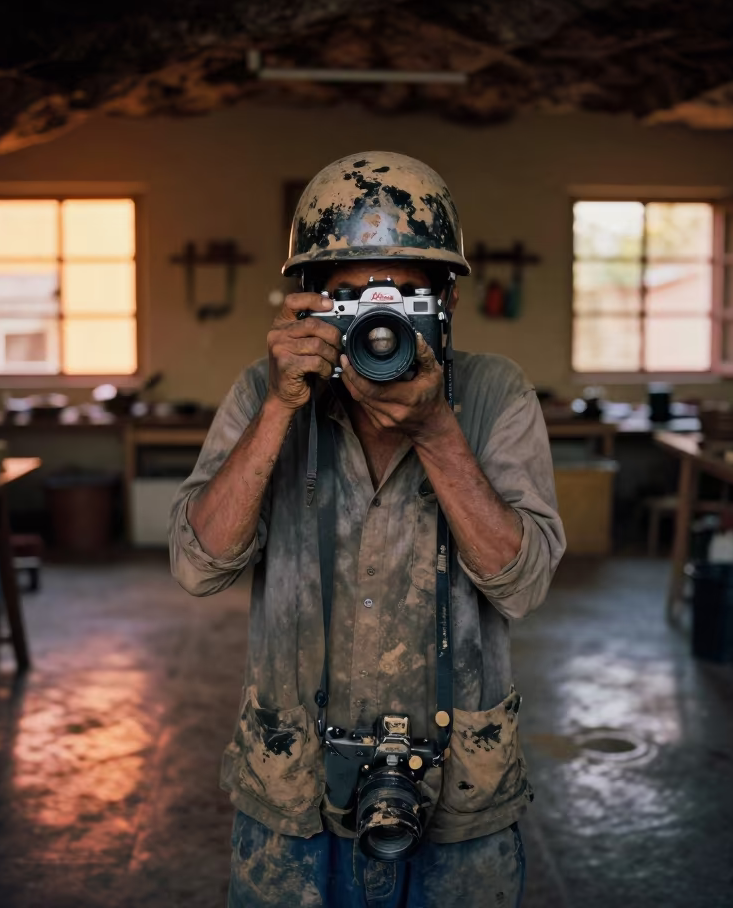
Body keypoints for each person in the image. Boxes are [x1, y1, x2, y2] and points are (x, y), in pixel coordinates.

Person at [170, 151, 565, 907]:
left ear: (447, 301)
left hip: (460, 790)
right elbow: (198, 566)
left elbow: (525, 582)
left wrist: (438, 431)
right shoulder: (264, 391)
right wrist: (283, 405)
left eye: (407, 299)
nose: (380, 330)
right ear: (309, 304)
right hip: (291, 787)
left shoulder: (493, 393)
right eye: (352, 302)